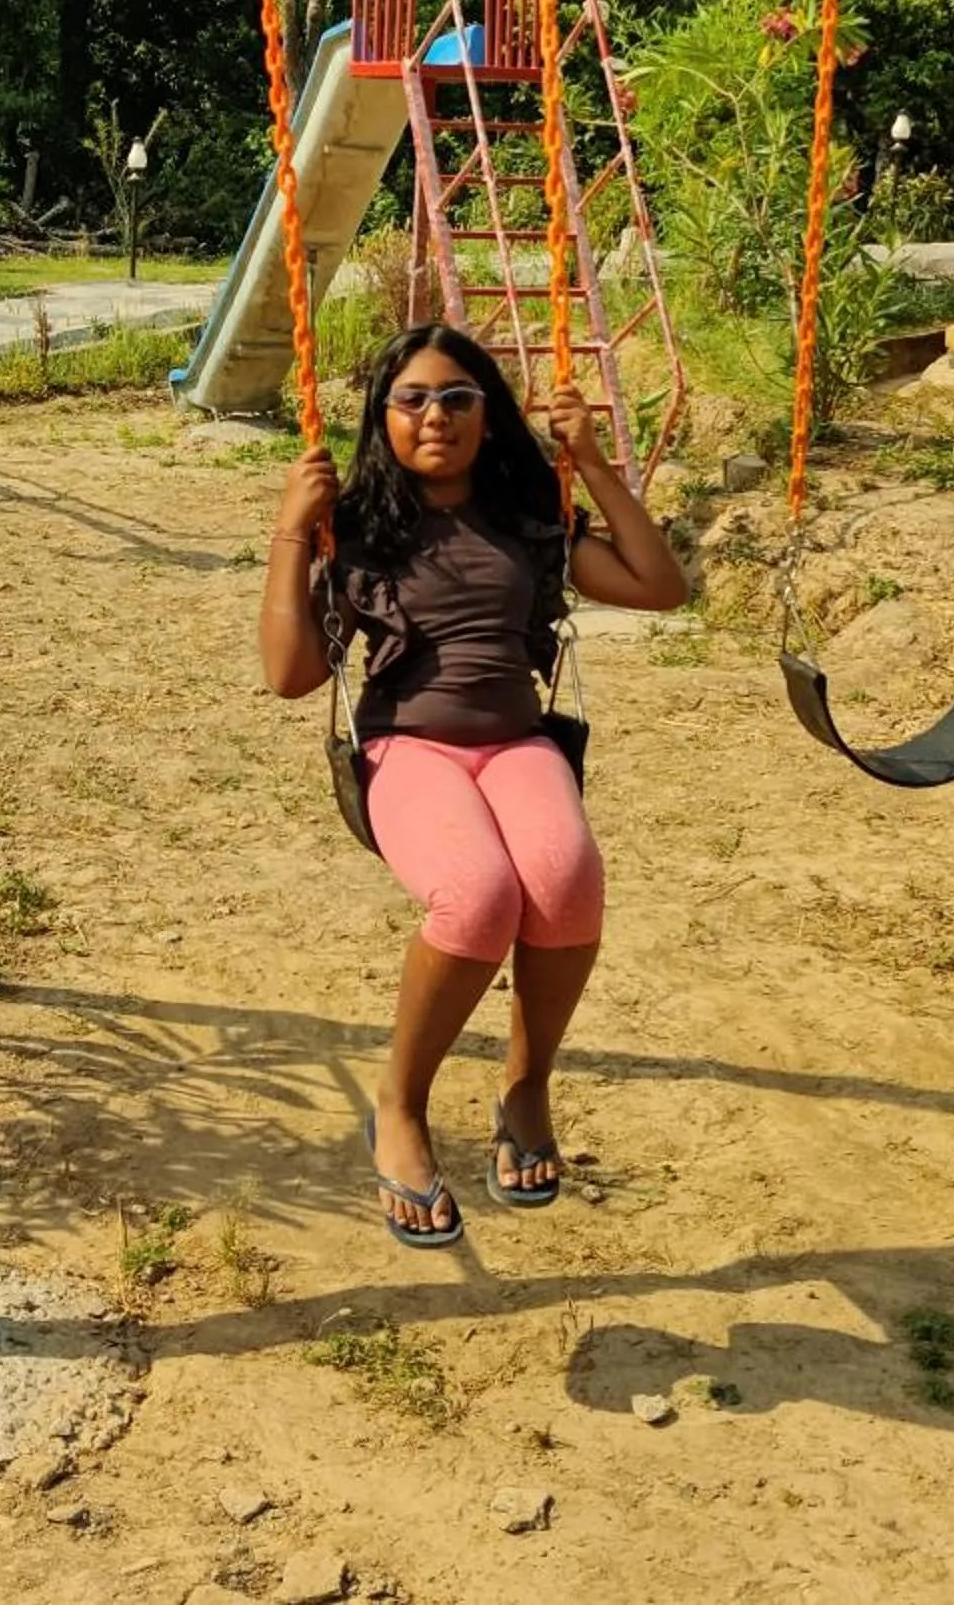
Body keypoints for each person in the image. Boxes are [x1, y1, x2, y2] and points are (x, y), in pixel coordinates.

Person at [258, 324, 689, 1246]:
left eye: (457, 397)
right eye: (411, 399)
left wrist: (596, 464)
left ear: (489, 417)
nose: (435, 415)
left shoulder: (532, 522)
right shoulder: (362, 531)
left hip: (517, 741)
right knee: (479, 895)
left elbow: (660, 586)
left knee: (567, 880)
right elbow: (292, 674)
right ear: (383, 419)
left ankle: (526, 1089)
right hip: (409, 749)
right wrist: (294, 530)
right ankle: (402, 1104)